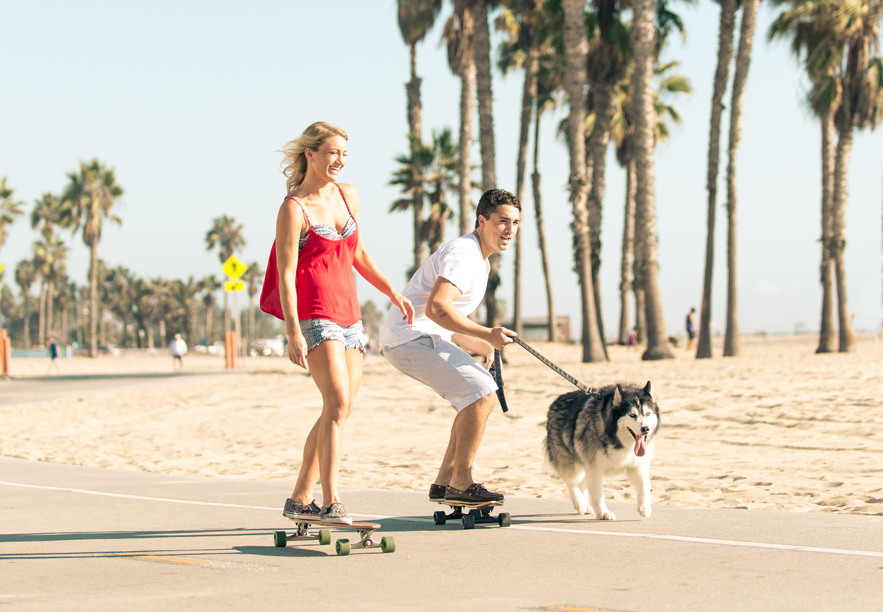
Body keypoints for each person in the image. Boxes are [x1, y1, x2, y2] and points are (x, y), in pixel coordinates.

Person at [262, 121, 414, 525]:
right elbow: (286, 273)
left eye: (344, 153)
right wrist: (292, 330)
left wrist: (391, 291)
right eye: (332, 152)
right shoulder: (292, 209)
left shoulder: (349, 196)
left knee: (338, 409)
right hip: (315, 312)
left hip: (349, 313)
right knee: (338, 402)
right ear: (310, 154)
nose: (339, 161)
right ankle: (332, 501)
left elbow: (359, 252)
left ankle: (299, 498)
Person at [379, 188, 520, 505]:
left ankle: (445, 483)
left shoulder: (479, 260)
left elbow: (447, 321)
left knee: (474, 398)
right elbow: (437, 309)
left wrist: (484, 344)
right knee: (482, 393)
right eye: (502, 221)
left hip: (416, 336)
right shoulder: (465, 255)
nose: (509, 229)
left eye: (514, 222)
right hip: (408, 337)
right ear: (482, 221)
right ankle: (461, 483)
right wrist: (487, 332)